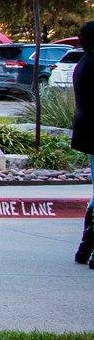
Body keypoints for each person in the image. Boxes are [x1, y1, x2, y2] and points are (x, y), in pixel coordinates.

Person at [70, 22, 94, 266]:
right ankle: (87, 248)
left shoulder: (84, 63)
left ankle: (86, 248)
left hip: (86, 129)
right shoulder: (91, 65)